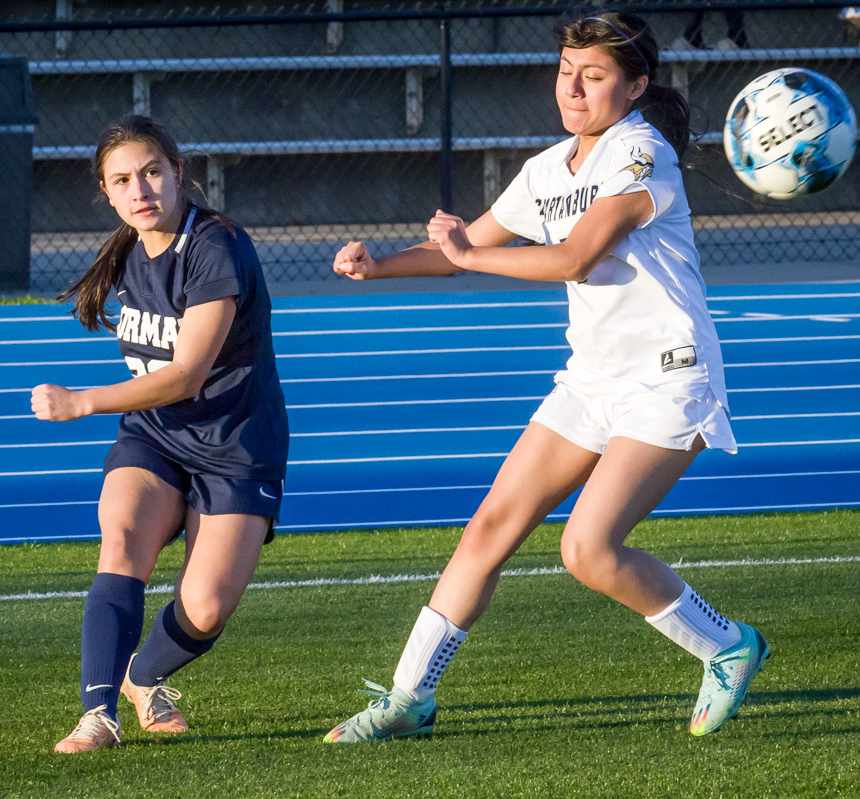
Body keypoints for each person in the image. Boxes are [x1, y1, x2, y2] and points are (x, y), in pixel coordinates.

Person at [322, 11, 768, 743]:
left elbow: (573, 258)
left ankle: (727, 644)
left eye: (594, 76)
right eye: (567, 71)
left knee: (587, 548)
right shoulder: (546, 170)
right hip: (592, 378)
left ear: (634, 86)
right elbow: (467, 246)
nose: (574, 87)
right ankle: (409, 699)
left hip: (668, 377)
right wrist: (382, 265)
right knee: (490, 526)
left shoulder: (640, 153)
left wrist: (465, 255)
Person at [33, 115, 289, 752]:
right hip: (154, 438)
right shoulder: (129, 248)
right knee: (120, 541)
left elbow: (186, 374)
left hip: (235, 447)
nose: (140, 188)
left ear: (179, 173)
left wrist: (83, 402)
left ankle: (142, 677)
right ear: (107, 192)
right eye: (122, 180)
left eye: (151, 171)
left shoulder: (215, 246)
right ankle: (98, 716)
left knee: (204, 608)